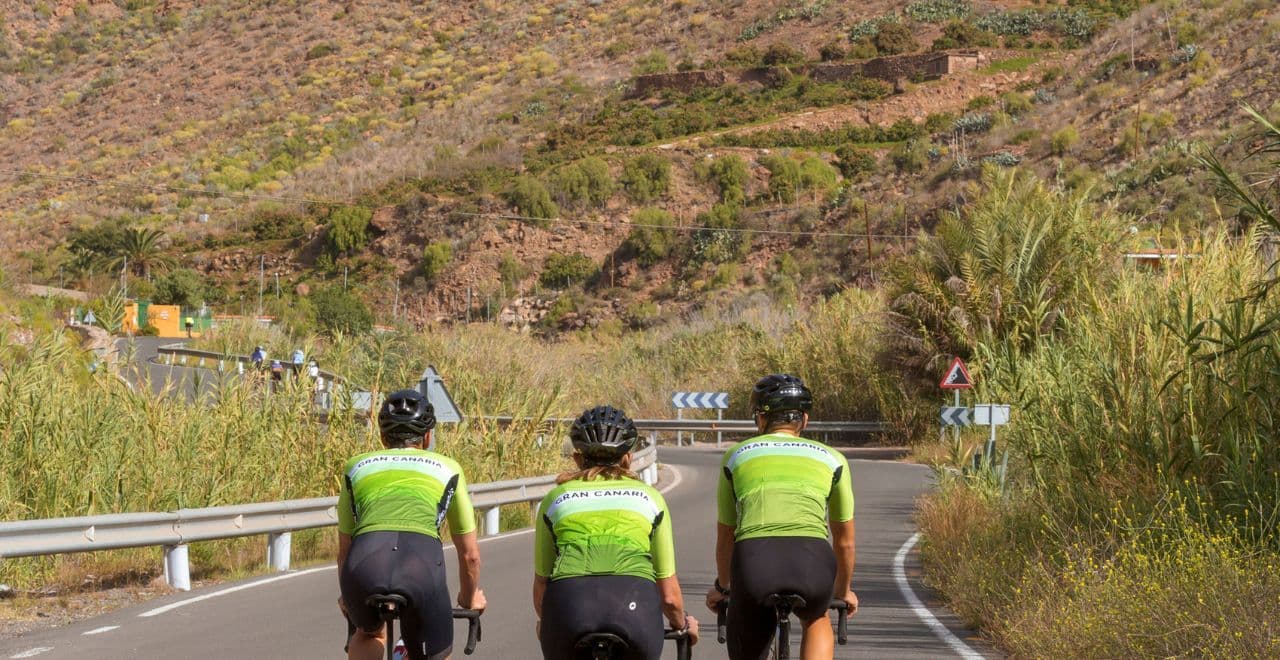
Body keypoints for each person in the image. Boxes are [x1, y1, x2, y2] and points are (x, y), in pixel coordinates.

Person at [705, 374, 857, 660]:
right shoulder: (833, 459)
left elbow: (726, 535)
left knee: (748, 625)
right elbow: (845, 542)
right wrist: (844, 591)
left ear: (760, 420)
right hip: (813, 561)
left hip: (754, 562)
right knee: (816, 617)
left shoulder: (736, 456)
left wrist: (723, 588)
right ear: (805, 419)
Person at [533, 405, 699, 660]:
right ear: (628, 458)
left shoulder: (555, 499)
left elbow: (542, 584)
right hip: (634, 610)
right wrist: (682, 624)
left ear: (577, 458)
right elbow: (668, 594)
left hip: (569, 609)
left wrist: (549, 621)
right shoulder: (650, 498)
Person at [338, 389, 485, 660]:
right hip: (421, 568)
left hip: (363, 568)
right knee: (436, 654)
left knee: (368, 633)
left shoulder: (355, 467)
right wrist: (469, 597)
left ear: (382, 437)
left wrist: (348, 595)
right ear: (427, 437)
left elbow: (344, 551)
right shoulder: (449, 467)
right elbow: (470, 556)